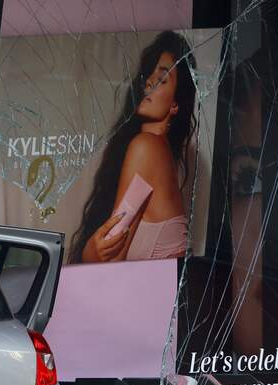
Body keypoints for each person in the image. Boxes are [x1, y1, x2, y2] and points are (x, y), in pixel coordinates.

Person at [70, 31, 196, 264]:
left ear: (176, 104)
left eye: (162, 78)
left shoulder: (147, 147)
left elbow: (109, 255)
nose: (149, 81)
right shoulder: (159, 153)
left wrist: (89, 253)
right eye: (148, 75)